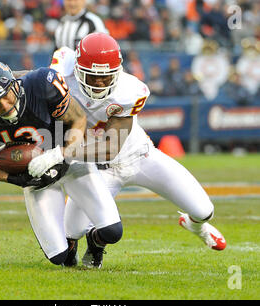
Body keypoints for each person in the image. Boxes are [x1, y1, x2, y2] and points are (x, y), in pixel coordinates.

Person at [49, 33, 226, 268]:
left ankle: (195, 226)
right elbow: (27, 84)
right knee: (71, 230)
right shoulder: (61, 74)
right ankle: (95, 242)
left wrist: (60, 153)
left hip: (139, 157)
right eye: (93, 75)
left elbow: (110, 147)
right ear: (79, 69)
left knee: (204, 210)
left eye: (106, 76)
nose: (100, 83)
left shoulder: (128, 90)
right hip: (98, 170)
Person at [0, 59, 123, 266]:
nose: (5, 106)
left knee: (112, 231)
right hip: (34, 176)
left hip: (70, 161)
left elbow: (79, 119)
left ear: (14, 85)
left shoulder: (41, 84)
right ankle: (68, 248)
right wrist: (13, 178)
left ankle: (94, 243)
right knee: (58, 257)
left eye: (6, 96)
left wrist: (61, 154)